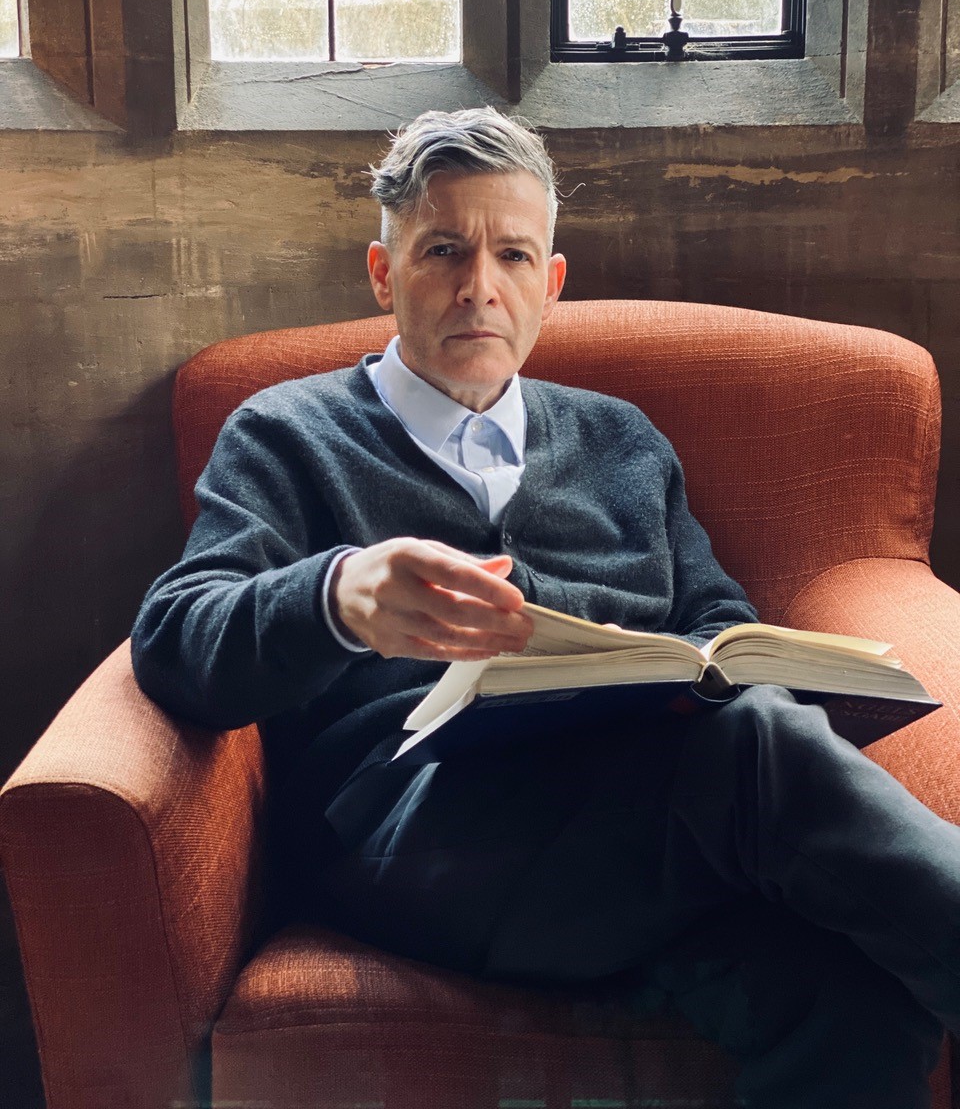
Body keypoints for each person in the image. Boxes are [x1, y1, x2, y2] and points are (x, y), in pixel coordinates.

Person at [132, 107, 959, 1108]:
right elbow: (177, 638)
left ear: (550, 281)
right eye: (444, 250)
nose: (481, 284)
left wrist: (663, 668)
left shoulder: (624, 442)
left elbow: (718, 624)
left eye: (513, 254)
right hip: (417, 839)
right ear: (384, 273)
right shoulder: (286, 432)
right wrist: (337, 594)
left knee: (855, 992)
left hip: (635, 831)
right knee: (757, 749)